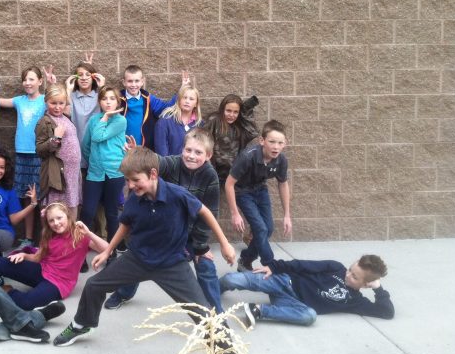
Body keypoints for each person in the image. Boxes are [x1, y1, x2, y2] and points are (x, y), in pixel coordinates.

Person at [52, 147, 237, 348]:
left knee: (202, 312)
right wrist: (107, 251)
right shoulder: (135, 198)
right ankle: (82, 325)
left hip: (172, 264)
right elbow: (125, 224)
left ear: (153, 174)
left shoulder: (177, 195)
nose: (130, 185)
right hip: (138, 259)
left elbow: (205, 212)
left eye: (135, 180)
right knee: (93, 285)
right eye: (127, 180)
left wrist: (225, 243)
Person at [108, 129, 227, 312]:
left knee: (205, 264)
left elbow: (209, 212)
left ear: (208, 155)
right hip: (164, 228)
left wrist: (201, 246)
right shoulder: (173, 163)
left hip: (190, 233)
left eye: (198, 152)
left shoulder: (210, 176)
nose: (191, 156)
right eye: (188, 150)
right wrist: (138, 155)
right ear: (182, 149)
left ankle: (216, 314)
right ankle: (124, 293)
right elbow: (156, 162)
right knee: (139, 256)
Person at [0, 203, 109, 310]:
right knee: (2, 263)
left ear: (68, 216)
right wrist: (23, 255)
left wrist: (89, 233)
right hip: (42, 270)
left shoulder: (80, 235)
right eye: (51, 220)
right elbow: (37, 258)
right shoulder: (48, 234)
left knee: (26, 303)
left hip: (59, 283)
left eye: (59, 218)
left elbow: (107, 249)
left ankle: (6, 291)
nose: (56, 223)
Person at [220, 255, 394, 326]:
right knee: (230, 279)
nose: (348, 275)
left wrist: (379, 289)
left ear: (365, 284)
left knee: (309, 316)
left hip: (292, 303)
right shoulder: (336, 267)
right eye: (350, 270)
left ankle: (258, 310)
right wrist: (274, 267)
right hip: (284, 282)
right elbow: (302, 265)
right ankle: (211, 291)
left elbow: (386, 312)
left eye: (354, 277)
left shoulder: (355, 301)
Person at [225, 119, 292, 272]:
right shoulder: (248, 157)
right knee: (261, 229)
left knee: (268, 228)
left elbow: (283, 184)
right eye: (272, 142)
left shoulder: (281, 160)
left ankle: (245, 260)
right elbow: (229, 184)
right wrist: (235, 213)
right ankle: (271, 265)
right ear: (262, 141)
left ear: (285, 143)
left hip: (260, 190)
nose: (276, 147)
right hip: (242, 192)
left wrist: (287, 215)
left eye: (280, 143)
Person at [0, 66, 45, 248]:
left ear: (40, 81)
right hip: (22, 154)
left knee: (42, 198)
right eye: (25, 80)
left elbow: (65, 106)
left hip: (39, 154)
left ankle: (46, 240)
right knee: (27, 197)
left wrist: (57, 85)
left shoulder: (45, 100)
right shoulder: (19, 101)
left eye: (31, 79)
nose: (27, 83)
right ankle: (28, 239)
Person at [79, 87, 127, 254]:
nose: (108, 102)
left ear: (118, 102)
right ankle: (80, 250)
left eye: (112, 98)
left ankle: (110, 251)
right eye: (104, 98)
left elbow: (99, 136)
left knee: (112, 213)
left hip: (115, 173)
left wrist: (105, 117)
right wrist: (94, 160)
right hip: (95, 173)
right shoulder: (94, 120)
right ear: (99, 101)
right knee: (87, 212)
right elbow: (85, 146)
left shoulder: (120, 121)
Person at [34, 84, 82, 211]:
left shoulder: (65, 117)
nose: (57, 107)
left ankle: (71, 226)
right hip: (59, 174)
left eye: (61, 103)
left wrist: (68, 89)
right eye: (53, 103)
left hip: (72, 173)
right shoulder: (44, 122)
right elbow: (39, 150)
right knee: (56, 208)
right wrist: (55, 139)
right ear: (46, 102)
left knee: (72, 206)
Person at [120, 64, 187, 150]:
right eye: (130, 81)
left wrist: (182, 90)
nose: (133, 84)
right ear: (124, 82)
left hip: (144, 149)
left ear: (142, 81)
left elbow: (165, 109)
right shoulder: (117, 98)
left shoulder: (148, 99)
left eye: (137, 81)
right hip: (121, 148)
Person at [201, 94, 259, 185]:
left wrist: (245, 111)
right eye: (228, 111)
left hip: (233, 173)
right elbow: (202, 140)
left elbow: (253, 132)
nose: (231, 115)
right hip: (214, 171)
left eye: (236, 112)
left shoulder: (239, 125)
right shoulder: (214, 120)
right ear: (222, 109)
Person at [153, 85, 202, 157]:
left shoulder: (200, 125)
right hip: (170, 163)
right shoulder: (164, 122)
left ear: (196, 104)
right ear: (178, 100)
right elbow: (162, 154)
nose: (187, 101)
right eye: (184, 97)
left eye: (191, 99)